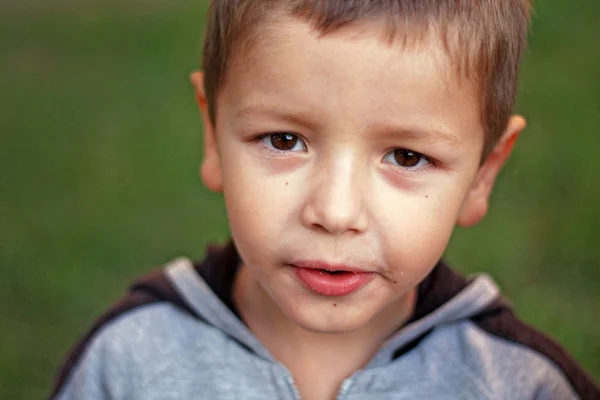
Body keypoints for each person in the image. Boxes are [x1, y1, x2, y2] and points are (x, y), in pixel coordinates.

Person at [51, 1, 599, 399]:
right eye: (284, 141)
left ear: (482, 175)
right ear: (212, 134)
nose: (335, 213)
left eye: (406, 157)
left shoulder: (519, 385)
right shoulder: (128, 363)